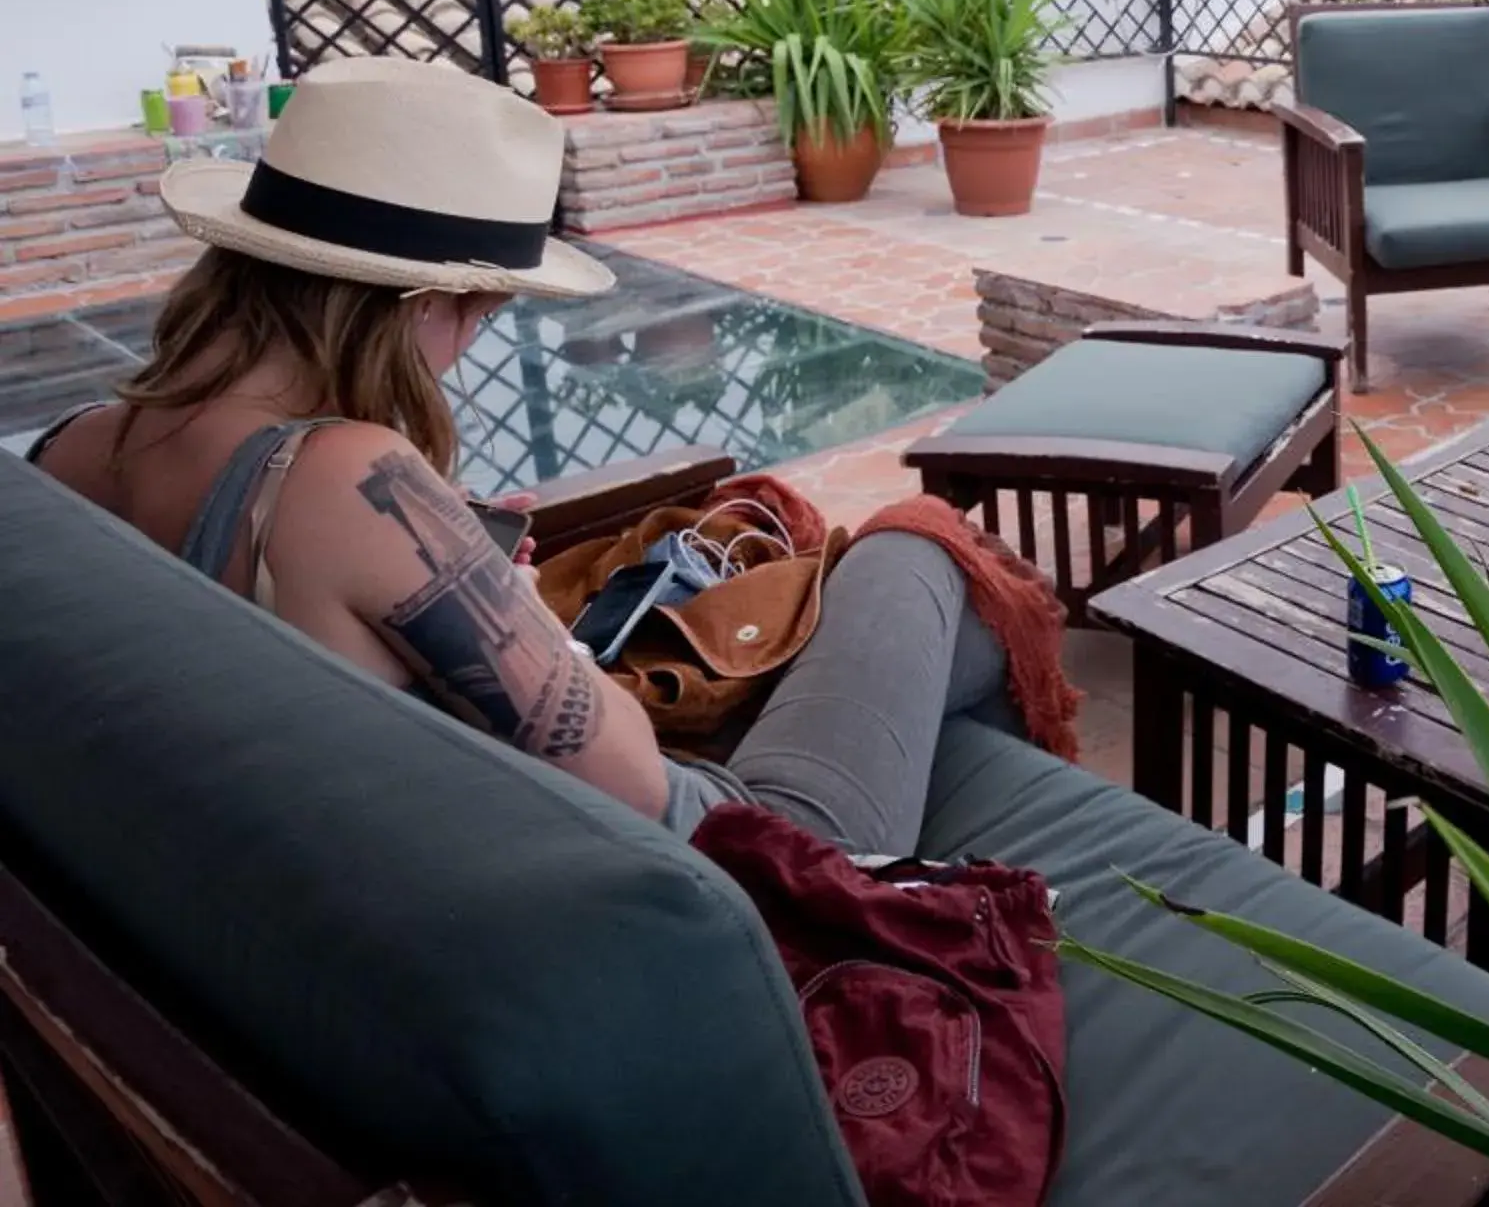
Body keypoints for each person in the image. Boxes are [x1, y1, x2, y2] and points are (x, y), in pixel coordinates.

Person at [27, 56, 1002, 851]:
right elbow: (627, 774)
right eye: (479, 317)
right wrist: (528, 613)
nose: (466, 349)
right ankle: (926, 879)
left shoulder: (70, 449)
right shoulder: (345, 479)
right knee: (917, 555)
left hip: (289, 861)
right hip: (729, 868)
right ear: (419, 307)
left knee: (866, 622)